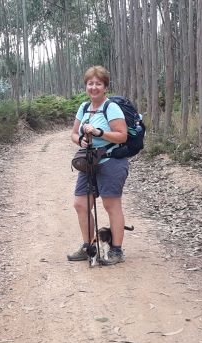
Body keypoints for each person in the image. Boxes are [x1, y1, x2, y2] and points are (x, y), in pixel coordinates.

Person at [67, 66, 129, 266]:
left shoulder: (111, 108)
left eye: (98, 84)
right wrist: (81, 141)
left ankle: (116, 250)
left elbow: (122, 136)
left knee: (111, 205)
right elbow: (74, 133)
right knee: (80, 204)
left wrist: (100, 133)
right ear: (86, 86)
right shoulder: (84, 107)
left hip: (111, 161)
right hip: (89, 162)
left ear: (105, 87)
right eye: (90, 83)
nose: (94, 87)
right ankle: (88, 247)